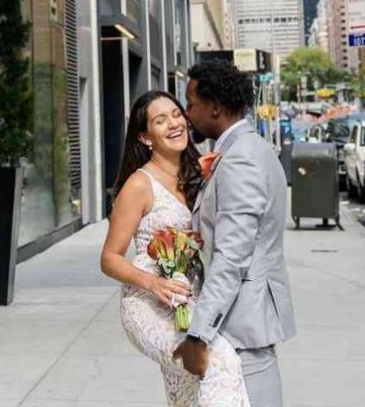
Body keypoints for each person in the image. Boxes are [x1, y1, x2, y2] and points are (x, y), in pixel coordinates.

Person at [100, 90, 251, 406]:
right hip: (147, 305)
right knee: (217, 361)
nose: (173, 123)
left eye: (176, 114)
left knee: (186, 396)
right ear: (145, 137)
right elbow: (109, 259)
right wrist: (154, 283)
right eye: (160, 120)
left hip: (191, 301)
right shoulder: (139, 185)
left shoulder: (201, 171)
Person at [174, 60, 297, 407]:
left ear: (215, 106)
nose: (187, 114)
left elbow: (232, 256)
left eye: (192, 104)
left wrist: (198, 335)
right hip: (243, 321)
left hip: (244, 326)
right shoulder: (243, 150)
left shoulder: (241, 159)